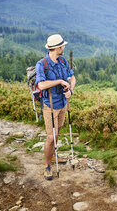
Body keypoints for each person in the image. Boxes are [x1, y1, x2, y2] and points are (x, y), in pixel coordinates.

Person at [35, 34, 76, 180]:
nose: (64, 47)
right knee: (51, 137)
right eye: (62, 46)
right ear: (57, 48)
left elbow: (72, 77)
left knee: (57, 132)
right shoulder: (42, 64)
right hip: (50, 106)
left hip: (63, 103)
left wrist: (70, 90)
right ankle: (47, 166)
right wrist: (59, 81)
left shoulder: (63, 61)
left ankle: (53, 156)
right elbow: (41, 85)